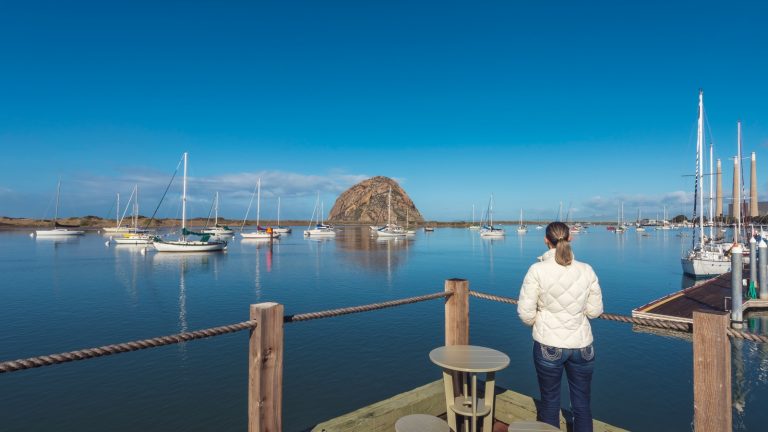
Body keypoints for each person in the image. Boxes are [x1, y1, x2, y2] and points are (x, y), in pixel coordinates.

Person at [517, 221, 603, 431]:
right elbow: (594, 311)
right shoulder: (586, 270)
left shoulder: (537, 270)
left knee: (550, 403)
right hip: (582, 346)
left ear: (546, 241)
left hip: (548, 346)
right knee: (582, 404)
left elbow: (526, 315)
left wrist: (544, 319)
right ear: (570, 238)